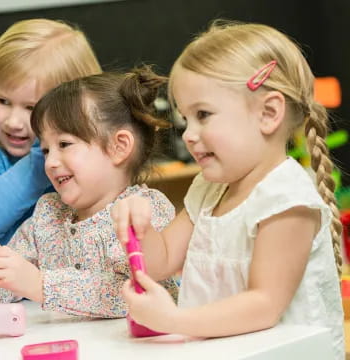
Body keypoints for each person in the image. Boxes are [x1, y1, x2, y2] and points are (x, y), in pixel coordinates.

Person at [111, 20, 344, 358]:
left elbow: (263, 304)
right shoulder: (209, 188)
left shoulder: (286, 199)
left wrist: (175, 319)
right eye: (185, 119)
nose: (188, 134)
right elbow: (159, 262)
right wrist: (138, 223)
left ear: (268, 113)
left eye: (203, 115)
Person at [0, 67, 179, 318]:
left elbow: (136, 294)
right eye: (45, 150)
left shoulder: (144, 210)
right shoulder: (47, 215)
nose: (51, 162)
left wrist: (38, 284)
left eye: (64, 144)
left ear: (119, 146)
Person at [0, 19, 102, 246]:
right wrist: (41, 159)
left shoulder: (90, 160)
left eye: (30, 108)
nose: (14, 122)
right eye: (2, 101)